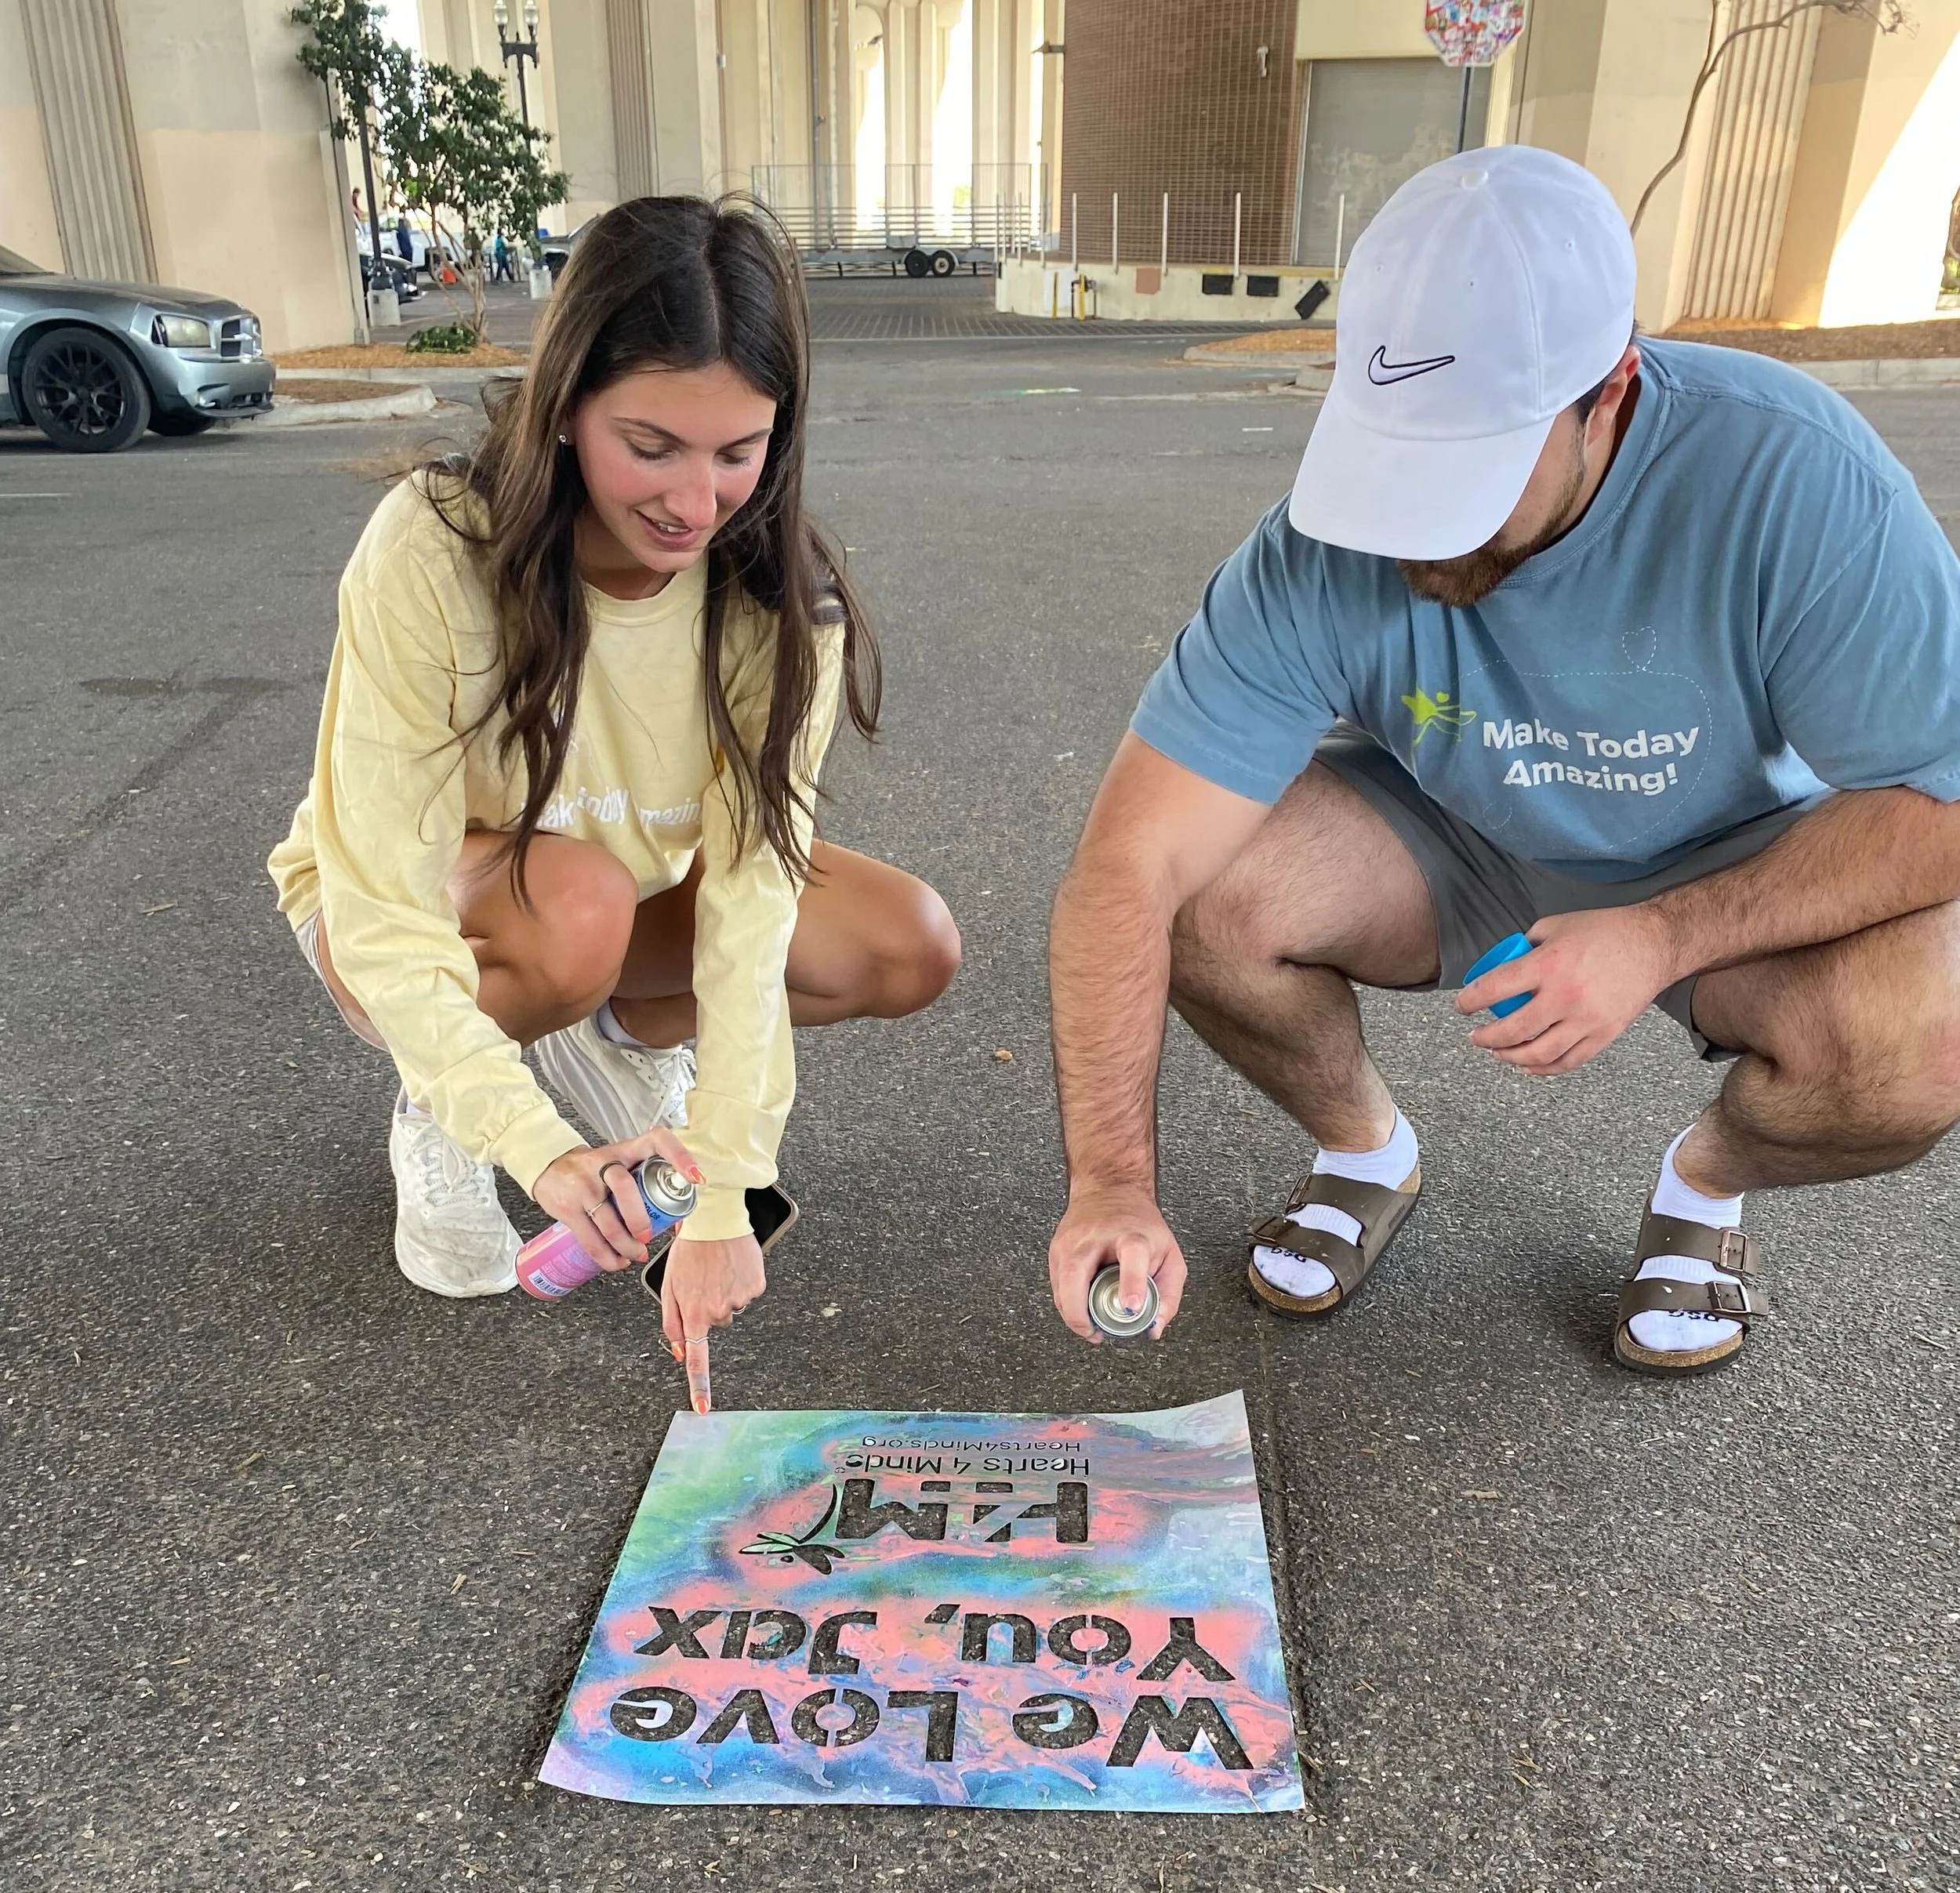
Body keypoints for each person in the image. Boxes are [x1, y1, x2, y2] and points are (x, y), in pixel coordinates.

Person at [1047, 145, 1960, 1375]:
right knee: (1203, 895)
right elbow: (1125, 869)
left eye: (1468, 469)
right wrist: (1110, 1180)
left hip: (1729, 853)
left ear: (1613, 395)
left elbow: (1944, 799)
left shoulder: (1794, 478)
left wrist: (1661, 936)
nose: (1415, 526)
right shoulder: (1313, 550)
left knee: (1921, 1045)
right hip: (1458, 827)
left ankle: (1703, 1190)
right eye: (1394, 456)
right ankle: (1364, 1150)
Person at [269, 197, 960, 1409]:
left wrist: (731, 1185)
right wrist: (530, 1144)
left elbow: (752, 905)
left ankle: (615, 1050)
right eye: (653, 444)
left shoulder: (778, 605)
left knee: (905, 944)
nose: (698, 502)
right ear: (567, 407)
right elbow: (383, 896)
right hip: (422, 912)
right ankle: (448, 1096)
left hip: (616, 892)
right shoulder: (434, 551)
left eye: (739, 451)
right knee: (575, 907)